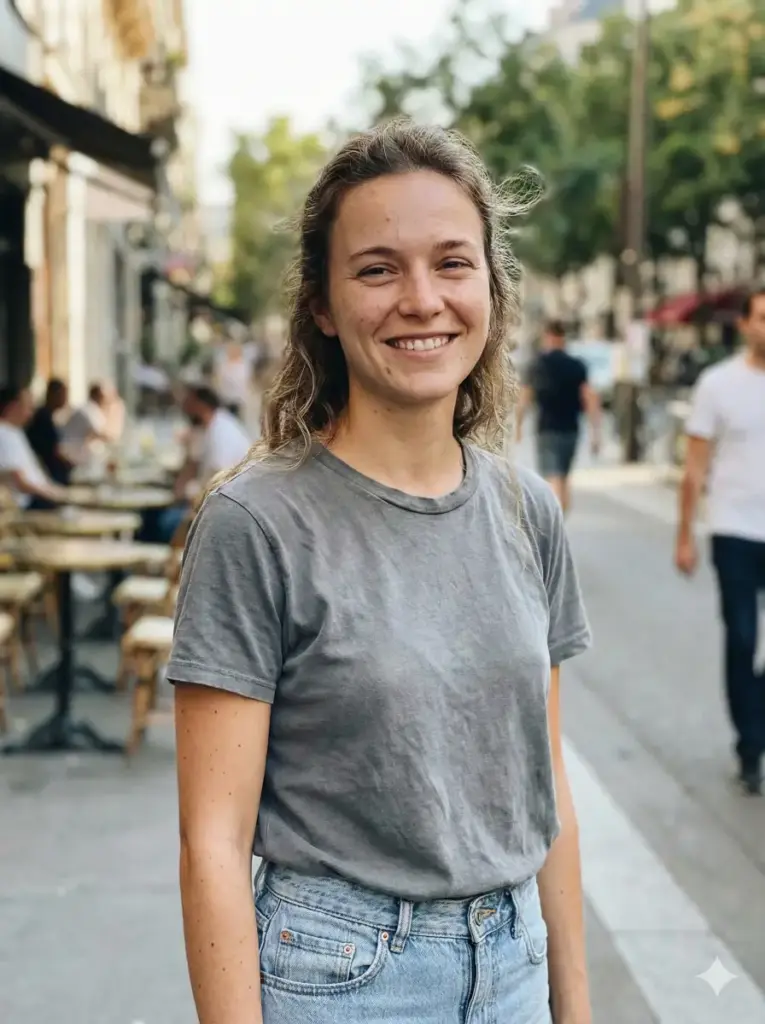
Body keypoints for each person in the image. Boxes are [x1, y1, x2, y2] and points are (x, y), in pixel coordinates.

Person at [169, 120, 593, 1024]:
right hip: (339, 980)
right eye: (375, 268)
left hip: (514, 963)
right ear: (321, 304)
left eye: (451, 263)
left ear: (490, 286)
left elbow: (544, 789)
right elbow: (212, 841)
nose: (421, 299)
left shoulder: (529, 512)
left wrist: (574, 1007)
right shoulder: (257, 520)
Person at [675, 289, 765, 795]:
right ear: (747, 324)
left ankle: (757, 724)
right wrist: (685, 535)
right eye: (763, 318)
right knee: (743, 639)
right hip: (733, 530)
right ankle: (750, 745)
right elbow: (694, 469)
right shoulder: (718, 385)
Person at [517, 321, 602, 514]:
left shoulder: (537, 364)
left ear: (548, 336)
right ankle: (560, 521)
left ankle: (556, 523)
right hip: (571, 430)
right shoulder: (577, 366)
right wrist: (596, 433)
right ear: (563, 338)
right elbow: (590, 398)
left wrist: (519, 426)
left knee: (552, 477)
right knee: (563, 479)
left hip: (547, 429)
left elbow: (525, 397)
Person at [155, 386, 251, 543]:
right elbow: (192, 464)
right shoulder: (210, 427)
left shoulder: (222, 431)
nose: (184, 409)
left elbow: (219, 479)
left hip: (224, 511)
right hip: (212, 505)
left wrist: (189, 499)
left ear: (200, 405)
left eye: (188, 404)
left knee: (163, 523)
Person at [0, 385, 65, 508]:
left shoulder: (13, 431)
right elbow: (20, 481)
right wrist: (57, 496)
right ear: (13, 407)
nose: (31, 414)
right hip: (27, 505)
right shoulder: (3, 434)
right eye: (28, 407)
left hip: (37, 498)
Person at [26, 378, 74, 485]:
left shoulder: (48, 416)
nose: (65, 399)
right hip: (48, 474)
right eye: (63, 395)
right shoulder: (43, 418)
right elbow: (52, 449)